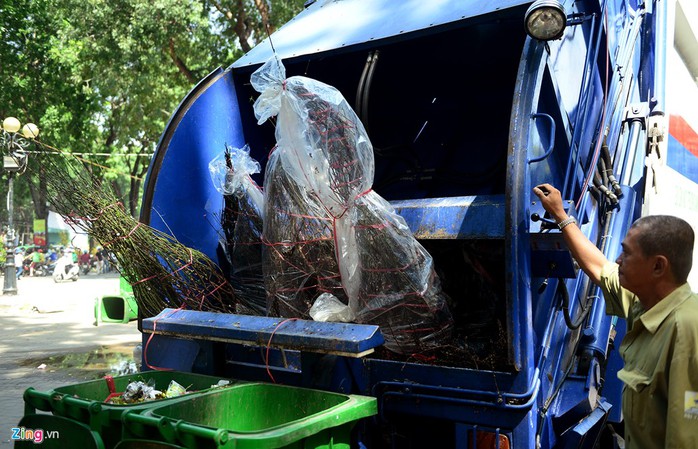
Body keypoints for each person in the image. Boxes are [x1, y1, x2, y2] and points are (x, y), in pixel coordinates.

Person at [533, 183, 698, 449]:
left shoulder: (688, 333)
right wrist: (560, 216)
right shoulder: (644, 301)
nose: (618, 260)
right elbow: (599, 267)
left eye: (627, 253)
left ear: (658, 266)